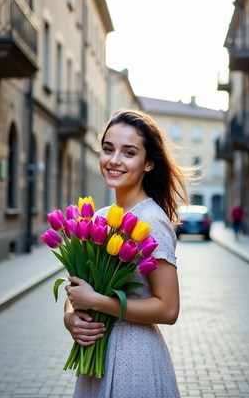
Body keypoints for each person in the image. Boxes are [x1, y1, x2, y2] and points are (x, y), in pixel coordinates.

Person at [64, 109, 189, 397]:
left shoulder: (151, 222)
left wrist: (98, 301)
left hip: (135, 357)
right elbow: (76, 287)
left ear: (148, 164)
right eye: (108, 149)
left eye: (128, 153)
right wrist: (70, 317)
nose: (114, 160)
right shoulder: (100, 217)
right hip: (97, 355)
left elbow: (168, 309)